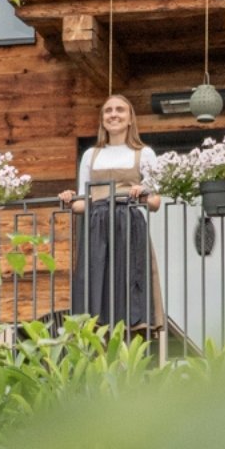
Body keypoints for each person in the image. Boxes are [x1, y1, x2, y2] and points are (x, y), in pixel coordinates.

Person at [57, 94, 161, 330]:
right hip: (97, 227)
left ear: (130, 119)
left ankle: (132, 342)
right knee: (96, 286)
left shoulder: (144, 153)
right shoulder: (91, 155)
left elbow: (155, 202)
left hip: (129, 226)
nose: (114, 114)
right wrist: (69, 200)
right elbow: (83, 204)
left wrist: (142, 193)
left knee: (129, 281)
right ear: (103, 120)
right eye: (108, 111)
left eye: (120, 110)